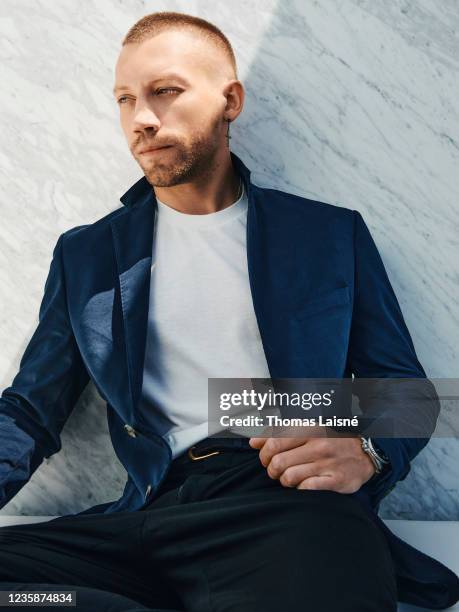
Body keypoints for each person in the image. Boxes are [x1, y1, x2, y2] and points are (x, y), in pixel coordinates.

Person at [0, 10, 457, 612]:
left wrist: (367, 452)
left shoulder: (327, 235)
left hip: (282, 505)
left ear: (230, 100)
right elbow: (30, 410)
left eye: (165, 91)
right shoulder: (88, 252)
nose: (141, 118)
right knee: (34, 598)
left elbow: (410, 392)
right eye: (124, 99)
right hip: (145, 517)